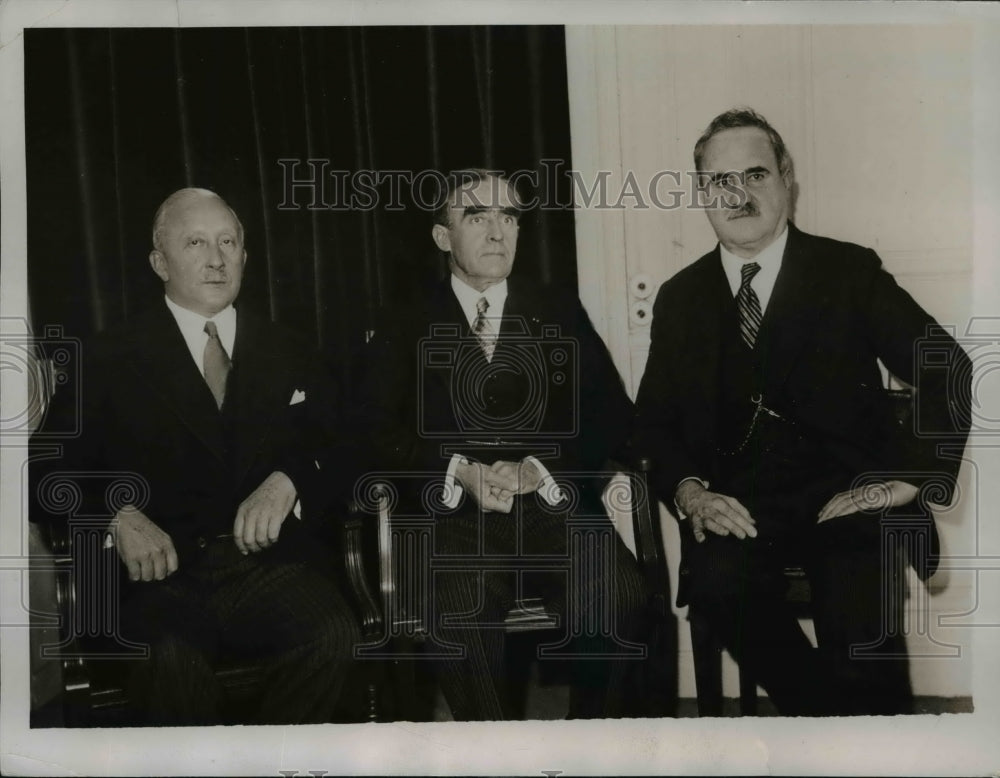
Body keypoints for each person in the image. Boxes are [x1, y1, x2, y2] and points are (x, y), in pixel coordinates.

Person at [633, 109, 972, 715]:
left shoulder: (848, 271)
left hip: (848, 495)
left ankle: (858, 729)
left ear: (787, 178)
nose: (738, 194)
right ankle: (825, 715)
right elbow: (653, 423)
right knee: (715, 583)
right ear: (702, 193)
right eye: (720, 181)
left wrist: (904, 480)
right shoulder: (680, 298)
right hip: (739, 504)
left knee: (860, 615)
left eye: (756, 174)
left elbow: (947, 368)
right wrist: (691, 492)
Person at [31, 188, 359, 725]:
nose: (216, 259)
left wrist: (290, 479)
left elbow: (344, 445)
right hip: (153, 581)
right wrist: (114, 515)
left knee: (331, 635)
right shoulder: (108, 356)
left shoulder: (291, 348)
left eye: (227, 242)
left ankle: (277, 759)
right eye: (195, 243)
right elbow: (42, 470)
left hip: (270, 568)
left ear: (245, 256)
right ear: (160, 263)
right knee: (172, 662)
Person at [360, 169, 647, 720]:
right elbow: (372, 429)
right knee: (460, 608)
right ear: (443, 236)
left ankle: (593, 746)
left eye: (509, 217)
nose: (497, 232)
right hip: (451, 518)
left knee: (619, 594)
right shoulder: (404, 318)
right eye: (477, 217)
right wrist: (457, 470)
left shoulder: (556, 308)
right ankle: (494, 752)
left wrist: (537, 468)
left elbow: (611, 415)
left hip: (551, 507)